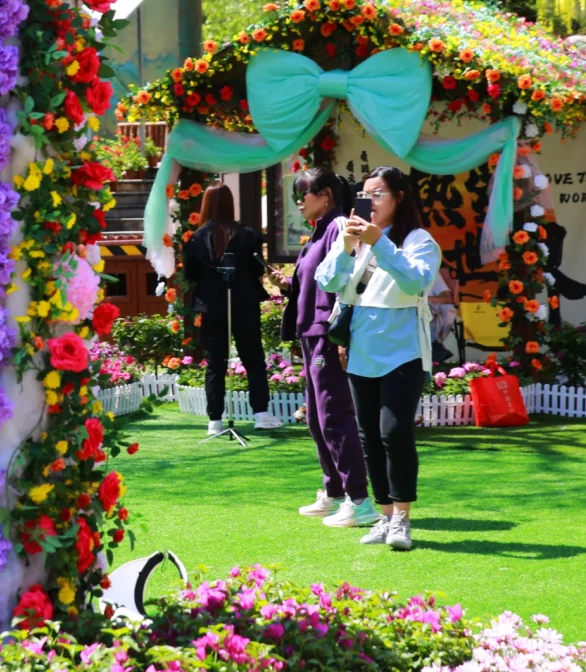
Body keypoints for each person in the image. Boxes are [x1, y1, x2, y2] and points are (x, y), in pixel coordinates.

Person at [315, 165, 439, 551]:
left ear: (399, 197)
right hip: (362, 349)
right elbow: (327, 281)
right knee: (368, 436)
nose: (370, 201)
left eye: (378, 194)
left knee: (394, 432)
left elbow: (416, 281)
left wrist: (379, 242)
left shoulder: (419, 240)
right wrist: (346, 247)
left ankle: (402, 518)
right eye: (365, 195)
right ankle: (384, 516)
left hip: (404, 350)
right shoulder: (355, 239)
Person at [282, 169, 377, 528]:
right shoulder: (322, 229)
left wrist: (344, 335)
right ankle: (335, 492)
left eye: (303, 195)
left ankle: (359, 500)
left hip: (328, 333)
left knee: (334, 414)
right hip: (312, 332)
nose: (298, 202)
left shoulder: (339, 225)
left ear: (324, 196)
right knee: (317, 417)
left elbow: (353, 275)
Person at [183, 184, 282, 434]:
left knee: (215, 362)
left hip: (212, 305)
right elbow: (257, 269)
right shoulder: (248, 234)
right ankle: (261, 414)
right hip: (245, 303)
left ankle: (215, 421)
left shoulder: (197, 238)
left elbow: (191, 274)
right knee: (253, 358)